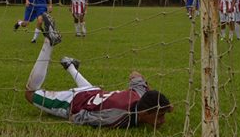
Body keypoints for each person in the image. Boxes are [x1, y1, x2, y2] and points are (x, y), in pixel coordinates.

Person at [25, 37, 173, 128]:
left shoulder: (139, 94)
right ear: (143, 113)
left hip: (94, 92)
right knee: (29, 93)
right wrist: (73, 115)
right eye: (160, 116)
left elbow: (135, 74)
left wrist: (159, 100)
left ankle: (69, 65)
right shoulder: (117, 117)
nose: (163, 121)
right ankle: (49, 42)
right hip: (73, 101)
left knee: (94, 92)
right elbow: (79, 117)